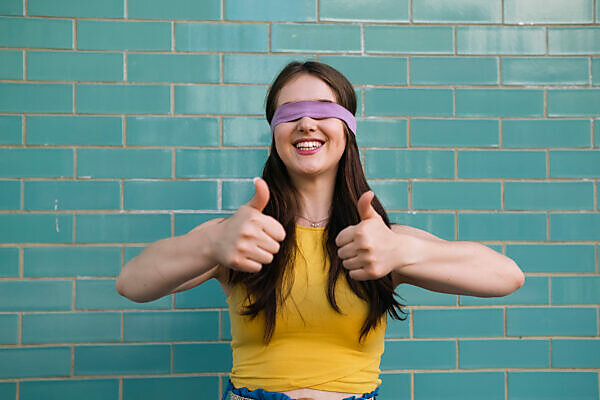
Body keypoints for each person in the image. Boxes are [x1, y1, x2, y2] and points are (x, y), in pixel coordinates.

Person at [116, 61, 525, 400]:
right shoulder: (241, 237)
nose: (306, 122)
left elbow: (507, 276)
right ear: (274, 131)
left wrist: (401, 252)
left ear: (347, 129)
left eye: (323, 110)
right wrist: (211, 244)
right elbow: (131, 283)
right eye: (290, 112)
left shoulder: (378, 241)